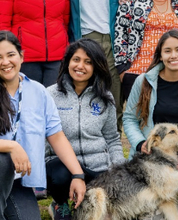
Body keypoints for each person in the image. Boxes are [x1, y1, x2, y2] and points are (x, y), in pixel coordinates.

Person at [0, 31, 86, 220]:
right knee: (0, 159)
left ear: (21, 56)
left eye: (11, 55)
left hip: (15, 179)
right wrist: (11, 146)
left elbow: (57, 137)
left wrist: (78, 175)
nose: (5, 62)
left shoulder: (39, 92)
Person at [123, 29, 178, 220]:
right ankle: (163, 209)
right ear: (160, 55)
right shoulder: (143, 82)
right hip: (151, 163)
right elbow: (129, 118)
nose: (173, 55)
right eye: (167, 51)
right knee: (152, 218)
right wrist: (140, 143)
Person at [62, 0, 131, 131]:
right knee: (84, 94)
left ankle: (114, 146)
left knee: (113, 97)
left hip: (111, 40)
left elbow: (131, 1)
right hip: (82, 41)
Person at [45, 38, 124, 220]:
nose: (80, 66)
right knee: (59, 174)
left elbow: (112, 138)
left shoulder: (106, 98)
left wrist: (120, 168)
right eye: (76, 59)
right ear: (68, 62)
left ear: (97, 67)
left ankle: (85, 201)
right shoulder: (50, 95)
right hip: (61, 166)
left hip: (97, 169)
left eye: (88, 62)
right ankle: (60, 203)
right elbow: (44, 136)